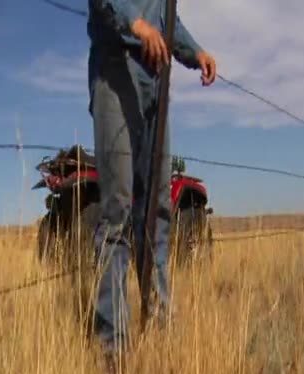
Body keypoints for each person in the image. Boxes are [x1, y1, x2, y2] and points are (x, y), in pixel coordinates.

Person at [87, 0, 217, 355]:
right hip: (115, 69)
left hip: (155, 80)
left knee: (157, 211)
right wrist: (137, 24)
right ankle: (113, 345)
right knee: (118, 212)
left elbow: (167, 20)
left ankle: (159, 325)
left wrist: (195, 52)